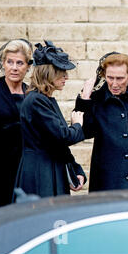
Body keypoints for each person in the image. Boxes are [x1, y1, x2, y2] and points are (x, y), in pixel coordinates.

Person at [75, 52, 128, 191]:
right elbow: (86, 132)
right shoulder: (96, 97)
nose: (114, 84)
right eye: (110, 77)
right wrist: (85, 98)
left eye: (120, 78)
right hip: (108, 178)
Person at [15, 40, 86, 198]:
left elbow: (57, 143)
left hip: (48, 168)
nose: (66, 77)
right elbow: (62, 136)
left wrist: (75, 170)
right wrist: (77, 125)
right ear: (49, 73)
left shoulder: (43, 99)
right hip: (41, 172)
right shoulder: (36, 100)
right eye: (61, 72)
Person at [0, 39, 33, 208]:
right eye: (10, 62)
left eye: (19, 63)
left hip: (22, 169)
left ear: (28, 67)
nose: (14, 68)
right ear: (4, 63)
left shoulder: (31, 93)